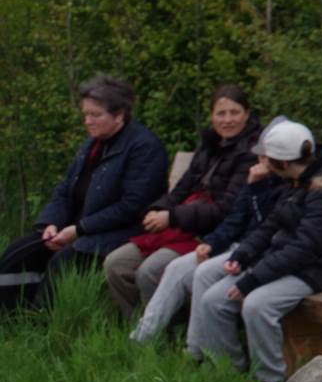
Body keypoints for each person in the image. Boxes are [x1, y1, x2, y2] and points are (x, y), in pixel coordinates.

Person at [188, 120, 322, 382]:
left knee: (258, 305)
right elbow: (271, 224)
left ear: (283, 163)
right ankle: (230, 374)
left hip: (316, 266)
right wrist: (243, 255)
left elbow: (306, 248)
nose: (265, 164)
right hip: (283, 258)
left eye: (269, 160)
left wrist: (252, 280)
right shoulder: (296, 178)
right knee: (213, 301)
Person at [0, 75, 167, 310]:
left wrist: (79, 230)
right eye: (86, 115)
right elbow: (64, 189)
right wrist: (50, 223)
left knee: (65, 260)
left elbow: (132, 206)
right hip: (76, 228)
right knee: (18, 251)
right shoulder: (91, 144)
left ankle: (43, 321)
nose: (88, 121)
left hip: (119, 232)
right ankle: (11, 315)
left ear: (119, 115)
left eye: (95, 115)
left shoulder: (144, 147)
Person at [103, 83, 260, 316]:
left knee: (149, 271)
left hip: (210, 233)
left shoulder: (252, 153)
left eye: (234, 112)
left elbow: (226, 209)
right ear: (212, 116)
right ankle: (138, 322)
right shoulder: (209, 145)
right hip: (182, 223)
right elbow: (182, 187)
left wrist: (173, 217)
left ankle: (164, 332)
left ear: (246, 114)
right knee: (115, 263)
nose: (227, 120)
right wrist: (159, 209)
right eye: (221, 113)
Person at [131, 116, 289, 345]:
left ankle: (196, 349)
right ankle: (142, 339)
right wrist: (213, 242)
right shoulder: (258, 176)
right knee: (176, 268)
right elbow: (236, 217)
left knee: (201, 274)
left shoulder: (281, 185)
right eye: (260, 154)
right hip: (235, 244)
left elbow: (264, 226)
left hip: (255, 252)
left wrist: (256, 186)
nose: (261, 159)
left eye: (266, 155)